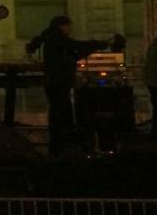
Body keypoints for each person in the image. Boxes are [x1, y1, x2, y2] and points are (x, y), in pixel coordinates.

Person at [40, 15, 110, 156]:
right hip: (59, 83)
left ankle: (59, 145)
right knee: (61, 113)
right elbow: (76, 47)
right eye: (68, 26)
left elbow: (74, 52)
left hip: (56, 83)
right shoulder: (58, 40)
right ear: (62, 26)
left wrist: (92, 47)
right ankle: (62, 145)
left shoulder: (52, 41)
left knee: (59, 113)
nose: (70, 29)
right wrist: (95, 45)